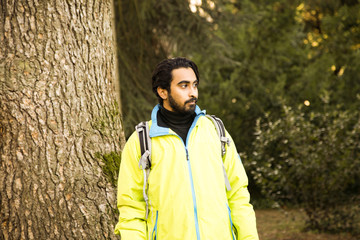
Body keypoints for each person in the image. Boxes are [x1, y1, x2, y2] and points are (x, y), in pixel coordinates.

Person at [114, 57, 259, 240]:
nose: (193, 93)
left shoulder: (216, 131)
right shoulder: (142, 141)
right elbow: (131, 209)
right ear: (163, 92)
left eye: (195, 85)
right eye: (184, 86)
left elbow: (238, 195)